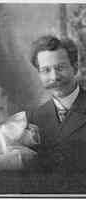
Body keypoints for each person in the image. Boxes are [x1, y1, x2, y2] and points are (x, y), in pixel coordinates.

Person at [29, 35, 86, 174]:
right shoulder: (34, 118)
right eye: (46, 70)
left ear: (75, 68)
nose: (54, 77)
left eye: (60, 67)